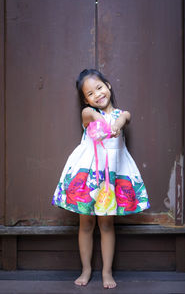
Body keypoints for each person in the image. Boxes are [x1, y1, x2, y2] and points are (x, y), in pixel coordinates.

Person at [52, 69, 150, 288]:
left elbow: (125, 118)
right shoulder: (88, 114)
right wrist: (100, 118)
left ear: (108, 86)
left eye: (99, 87)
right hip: (89, 177)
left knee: (106, 225)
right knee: (85, 223)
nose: (97, 94)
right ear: (85, 100)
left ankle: (107, 271)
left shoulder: (121, 115)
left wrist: (115, 125)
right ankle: (86, 269)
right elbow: (89, 115)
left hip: (110, 179)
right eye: (90, 93)